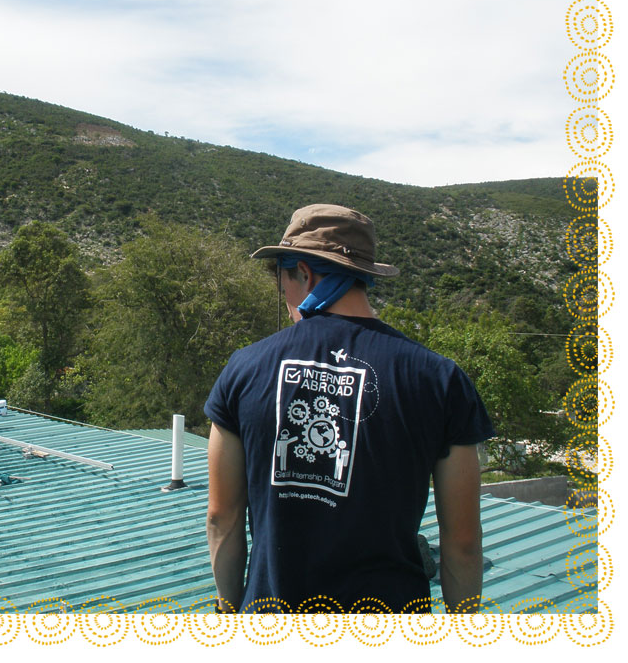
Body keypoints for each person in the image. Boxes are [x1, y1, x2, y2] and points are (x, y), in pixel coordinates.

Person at [204, 204, 495, 614]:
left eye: (281, 280)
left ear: (303, 273)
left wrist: (227, 610)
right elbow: (462, 541)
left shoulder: (243, 369)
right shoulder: (439, 378)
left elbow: (222, 517)